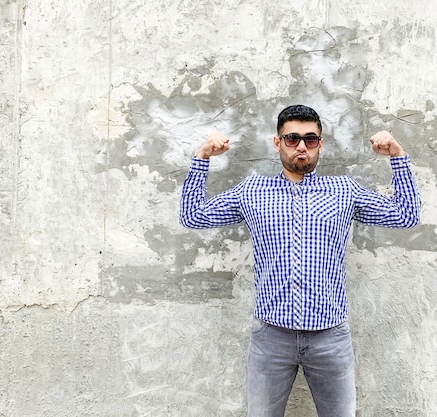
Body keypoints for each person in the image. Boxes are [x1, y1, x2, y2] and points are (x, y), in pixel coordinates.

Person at [179, 104, 421, 417]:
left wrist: (397, 157)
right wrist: (202, 157)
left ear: (321, 144)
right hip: (271, 339)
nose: (302, 146)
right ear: (277, 142)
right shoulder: (252, 190)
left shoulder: (343, 190)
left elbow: (405, 216)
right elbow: (192, 215)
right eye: (292, 139)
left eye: (311, 139)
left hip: (330, 338)